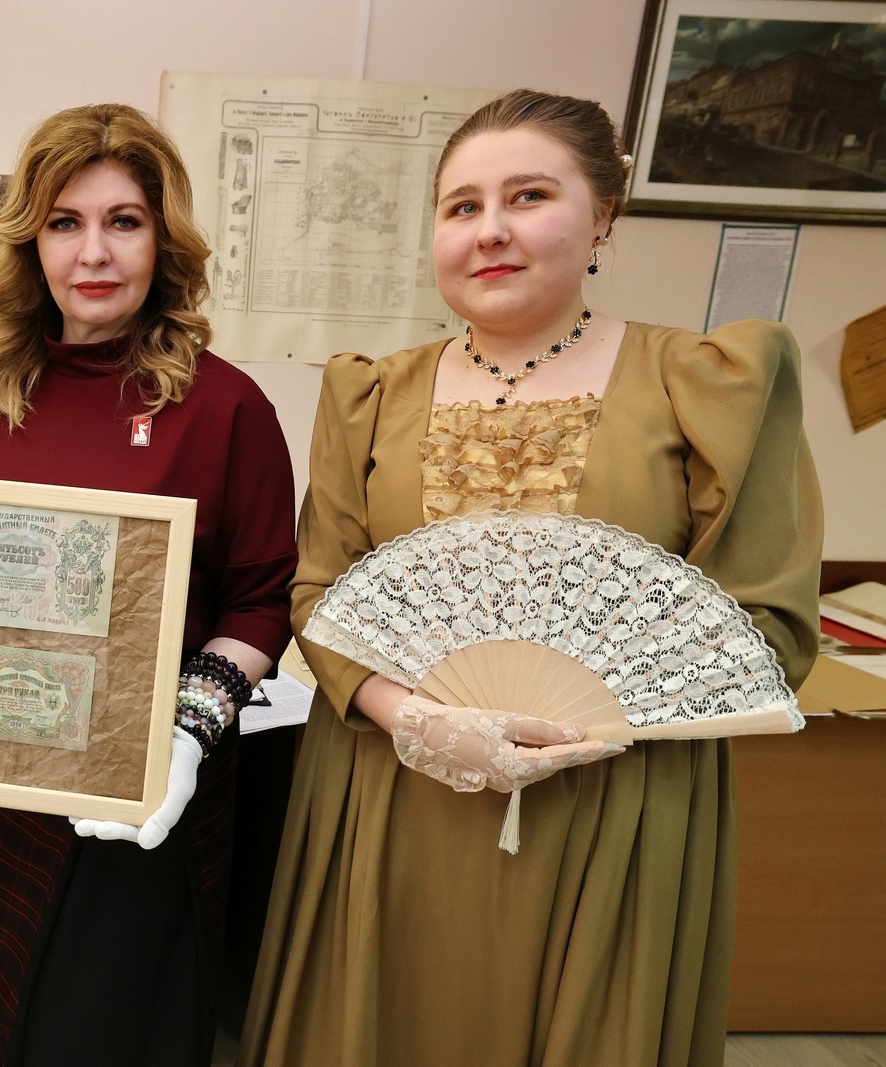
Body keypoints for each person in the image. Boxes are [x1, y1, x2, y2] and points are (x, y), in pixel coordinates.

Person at [242, 89, 822, 1067]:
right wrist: (414, 718)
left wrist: (603, 716)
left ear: (602, 217)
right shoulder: (370, 395)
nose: (490, 231)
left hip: (613, 806)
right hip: (392, 789)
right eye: (461, 207)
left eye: (528, 196)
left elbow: (762, 624)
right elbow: (321, 596)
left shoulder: (704, 383)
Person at [0, 104, 299, 1066]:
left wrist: (188, 731)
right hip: (6, 783)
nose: (94, 252)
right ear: (31, 242)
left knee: (110, 1032)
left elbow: (262, 599)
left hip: (150, 795)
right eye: (65, 222)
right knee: (3, 1025)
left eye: (124, 221)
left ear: (163, 240)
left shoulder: (227, 406)